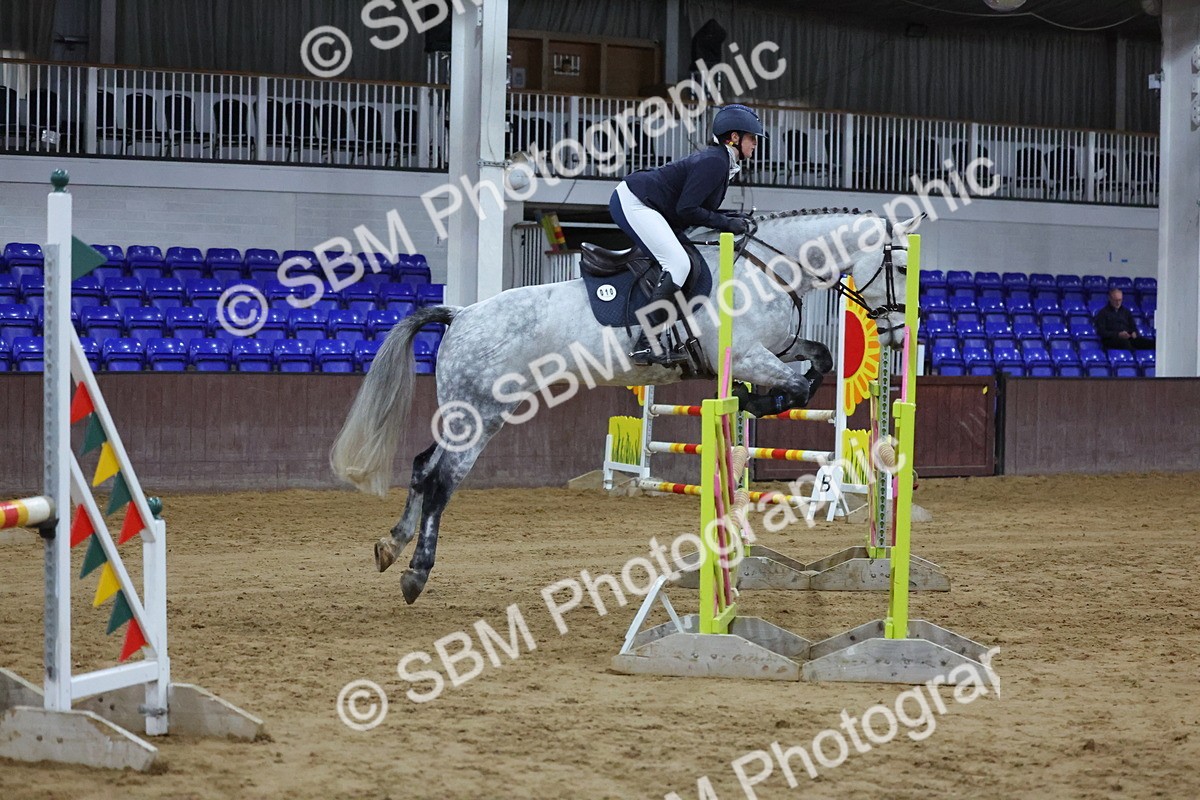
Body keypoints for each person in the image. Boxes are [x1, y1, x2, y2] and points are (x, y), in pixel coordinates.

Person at [608, 103, 764, 366]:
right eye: (752, 138)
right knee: (678, 263)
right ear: (734, 137)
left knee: (685, 259)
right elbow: (687, 208)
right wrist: (725, 222)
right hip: (635, 201)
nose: (755, 144)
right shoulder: (715, 162)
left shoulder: (722, 161)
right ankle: (646, 342)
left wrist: (730, 219)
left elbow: (696, 207)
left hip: (652, 205)